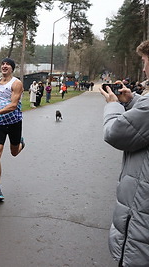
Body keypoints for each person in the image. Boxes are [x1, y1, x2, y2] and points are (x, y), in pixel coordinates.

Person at [99, 39, 149, 266]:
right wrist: (133, 101)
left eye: (145, 61)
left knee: (134, 254)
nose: (145, 68)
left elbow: (116, 133)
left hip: (143, 204)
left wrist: (112, 105)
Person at [0, 58, 25, 201]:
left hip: (14, 122)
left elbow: (13, 105)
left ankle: (21, 144)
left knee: (14, 152)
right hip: (0, 124)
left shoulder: (16, 83)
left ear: (12, 68)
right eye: (2, 63)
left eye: (7, 64)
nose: (4, 66)